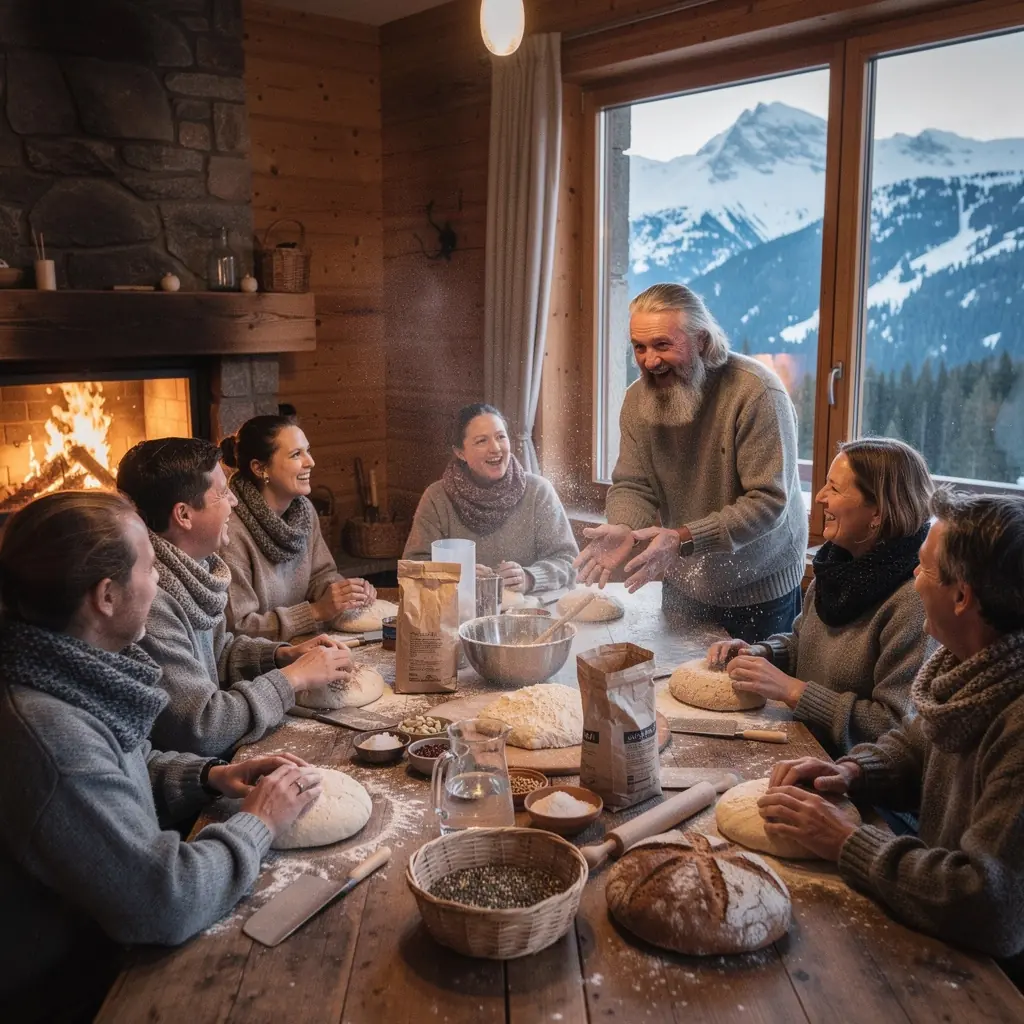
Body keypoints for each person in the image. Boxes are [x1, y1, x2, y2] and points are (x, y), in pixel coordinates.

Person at [0, 491, 324, 1022]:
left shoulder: (61, 671)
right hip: (82, 988)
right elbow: (166, 900)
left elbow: (123, 765)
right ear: (106, 595)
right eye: (150, 568)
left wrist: (209, 776)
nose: (159, 583)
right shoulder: (49, 736)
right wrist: (258, 821)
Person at [759, 491, 1024, 972]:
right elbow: (919, 744)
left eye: (922, 569)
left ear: (962, 596)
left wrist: (847, 842)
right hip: (940, 932)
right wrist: (850, 771)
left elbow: (990, 905)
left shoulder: (1016, 722)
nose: (913, 581)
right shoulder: (967, 668)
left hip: (991, 980)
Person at [574, 283, 807, 643]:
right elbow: (634, 483)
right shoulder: (637, 399)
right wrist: (624, 526)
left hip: (759, 589)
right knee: (674, 687)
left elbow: (767, 502)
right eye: (640, 347)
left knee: (751, 696)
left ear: (701, 340)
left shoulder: (756, 392)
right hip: (683, 579)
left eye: (662, 345)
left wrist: (682, 539)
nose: (650, 361)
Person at [117, 438, 352, 759]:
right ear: (184, 514)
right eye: (222, 493)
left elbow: (217, 654)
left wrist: (282, 655)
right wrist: (292, 679)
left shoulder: (193, 570)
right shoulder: (152, 601)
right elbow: (202, 728)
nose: (234, 502)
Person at [708, 438, 934, 754]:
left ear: (878, 513)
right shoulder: (837, 566)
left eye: (835, 489)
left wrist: (794, 692)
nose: (819, 497)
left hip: (855, 783)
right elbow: (804, 644)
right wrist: (761, 653)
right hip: (806, 746)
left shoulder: (912, 601)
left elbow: (891, 727)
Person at [220, 414, 376, 640]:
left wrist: (346, 592)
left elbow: (320, 575)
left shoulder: (304, 512)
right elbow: (239, 627)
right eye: (296, 455)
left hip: (303, 643)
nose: (310, 462)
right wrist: (316, 611)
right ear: (259, 468)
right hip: (263, 663)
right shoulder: (230, 530)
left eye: (307, 451)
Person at [404, 403, 578, 595]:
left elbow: (569, 560)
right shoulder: (437, 497)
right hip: (459, 616)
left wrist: (529, 577)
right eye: (481, 441)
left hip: (525, 614)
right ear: (460, 452)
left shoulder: (538, 491)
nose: (495, 448)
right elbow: (412, 569)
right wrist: (455, 576)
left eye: (501, 437)